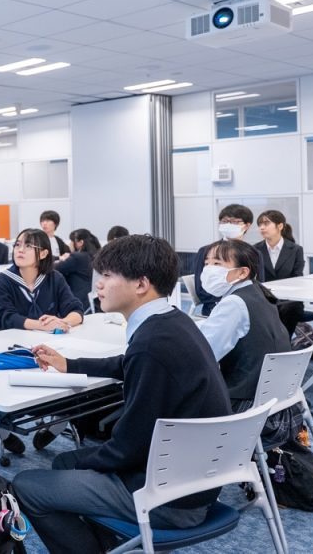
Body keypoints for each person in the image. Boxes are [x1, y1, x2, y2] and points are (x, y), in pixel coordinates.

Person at [13, 235, 232, 554]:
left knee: (26, 485)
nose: (98, 285)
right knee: (64, 461)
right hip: (196, 479)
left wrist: (87, 462)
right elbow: (127, 363)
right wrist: (69, 364)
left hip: (168, 499)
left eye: (107, 275)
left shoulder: (151, 344)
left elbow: (126, 448)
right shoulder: (172, 322)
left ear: (141, 284)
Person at [196, 239, 298, 446]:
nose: (208, 270)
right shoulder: (257, 293)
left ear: (243, 272)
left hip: (246, 410)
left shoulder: (234, 303)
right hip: (276, 405)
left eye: (217, 264)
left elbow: (201, 355)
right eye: (207, 263)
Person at [0, 228, 83, 332]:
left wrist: (63, 323)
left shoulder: (54, 278)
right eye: (17, 245)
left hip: (44, 339)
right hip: (9, 338)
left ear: (43, 254)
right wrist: (41, 325)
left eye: (28, 246)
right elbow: (5, 317)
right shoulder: (2, 280)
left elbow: (75, 310)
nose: (20, 250)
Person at [194, 204, 253, 316]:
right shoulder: (206, 251)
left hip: (247, 306)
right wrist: (226, 302)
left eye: (235, 222)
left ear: (246, 226)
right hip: (214, 308)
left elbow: (258, 283)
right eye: (225, 221)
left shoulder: (253, 253)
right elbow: (200, 290)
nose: (229, 225)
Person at [254, 209, 306, 336]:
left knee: (289, 309)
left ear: (280, 226)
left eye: (266, 223)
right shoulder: (255, 249)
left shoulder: (295, 250)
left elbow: (297, 278)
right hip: (264, 298)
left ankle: (283, 342)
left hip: (289, 299)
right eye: (260, 224)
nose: (262, 227)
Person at [55, 228, 101, 312]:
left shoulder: (77, 258)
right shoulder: (98, 256)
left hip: (79, 303)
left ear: (80, 243)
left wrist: (61, 259)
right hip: (95, 304)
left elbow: (55, 269)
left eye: (72, 241)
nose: (70, 244)